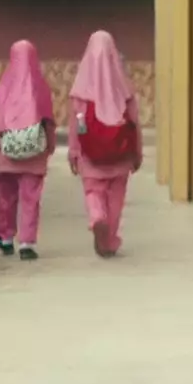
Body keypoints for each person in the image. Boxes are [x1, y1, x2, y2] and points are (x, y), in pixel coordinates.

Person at [67, 30, 143, 258]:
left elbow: (76, 125)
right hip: (120, 155)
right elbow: (134, 124)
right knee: (115, 199)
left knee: (94, 191)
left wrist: (74, 152)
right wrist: (137, 153)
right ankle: (109, 240)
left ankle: (96, 216)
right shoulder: (125, 89)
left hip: (90, 156)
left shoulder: (80, 91)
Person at [0, 39, 57, 262]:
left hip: (7, 154)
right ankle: (27, 243)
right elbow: (48, 122)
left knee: (6, 197)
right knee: (30, 199)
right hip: (34, 155)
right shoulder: (40, 88)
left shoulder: (3, 88)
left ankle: (5, 238)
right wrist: (49, 147)